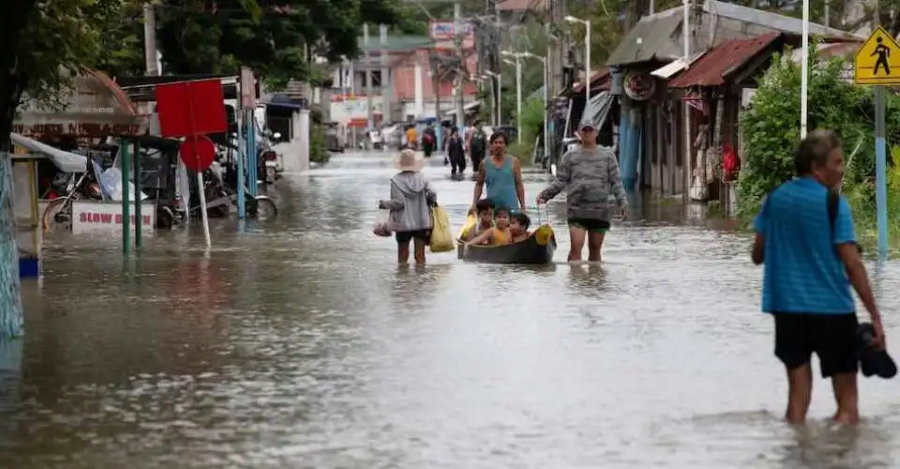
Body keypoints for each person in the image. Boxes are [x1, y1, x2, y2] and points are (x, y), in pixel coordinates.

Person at [751, 130, 885, 425]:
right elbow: (853, 265)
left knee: (797, 403)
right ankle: (838, 456)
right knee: (848, 408)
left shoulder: (775, 200)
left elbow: (757, 255)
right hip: (832, 310)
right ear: (816, 167)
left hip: (787, 310)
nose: (842, 168)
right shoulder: (834, 205)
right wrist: (875, 316)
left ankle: (799, 454)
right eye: (837, 162)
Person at [536, 123, 628, 262]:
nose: (587, 133)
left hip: (599, 210)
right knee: (576, 247)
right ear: (580, 133)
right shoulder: (570, 156)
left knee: (595, 248)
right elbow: (560, 180)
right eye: (584, 130)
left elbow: (616, 182)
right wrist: (545, 195)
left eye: (590, 130)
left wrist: (623, 202)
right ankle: (575, 280)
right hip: (577, 209)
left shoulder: (608, 156)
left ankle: (595, 279)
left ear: (596, 133)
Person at [379, 149, 436, 264]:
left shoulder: (396, 180)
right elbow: (433, 196)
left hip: (403, 224)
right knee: (420, 258)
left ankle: (403, 281)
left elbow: (399, 203)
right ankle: (421, 280)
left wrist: (384, 204)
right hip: (422, 222)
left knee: (402, 259)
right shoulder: (423, 178)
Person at [472, 132, 525, 214]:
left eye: (501, 143)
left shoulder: (514, 162)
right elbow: (479, 184)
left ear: (505, 145)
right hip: (492, 210)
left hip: (511, 208)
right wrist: (474, 205)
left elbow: (519, 185)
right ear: (491, 146)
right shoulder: (484, 163)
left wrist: (523, 206)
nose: (498, 145)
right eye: (495, 143)